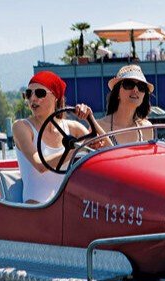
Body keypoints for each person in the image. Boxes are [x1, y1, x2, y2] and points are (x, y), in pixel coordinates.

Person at [12, 71, 101, 204]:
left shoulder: (72, 127)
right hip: (36, 205)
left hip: (68, 205)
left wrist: (90, 118)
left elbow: (110, 150)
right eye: (29, 94)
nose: (33, 99)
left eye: (40, 93)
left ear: (55, 97)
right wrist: (79, 147)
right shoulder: (21, 127)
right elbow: (40, 165)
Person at [98, 65, 155, 144]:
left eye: (141, 87)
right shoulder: (99, 126)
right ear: (117, 92)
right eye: (129, 84)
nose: (135, 89)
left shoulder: (146, 128)